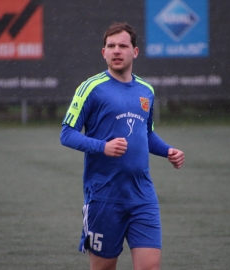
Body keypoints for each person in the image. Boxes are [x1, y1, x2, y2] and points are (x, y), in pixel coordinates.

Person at [60, 22, 184, 270]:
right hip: (104, 196)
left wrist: (168, 150)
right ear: (103, 52)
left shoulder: (146, 90)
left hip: (142, 195)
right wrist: (102, 147)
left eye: (123, 46)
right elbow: (67, 134)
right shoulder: (90, 88)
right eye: (111, 46)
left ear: (135, 52)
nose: (117, 50)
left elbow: (146, 134)